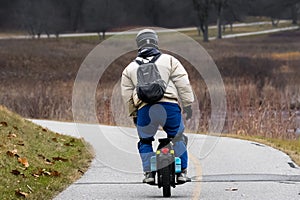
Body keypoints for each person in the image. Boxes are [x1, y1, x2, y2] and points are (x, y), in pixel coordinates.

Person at [121, 29, 194, 183]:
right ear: (155, 42)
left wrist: (134, 114)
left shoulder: (129, 68)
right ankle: (182, 172)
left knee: (145, 141)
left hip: (145, 110)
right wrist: (188, 105)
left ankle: (148, 173)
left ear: (138, 44)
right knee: (177, 137)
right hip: (169, 107)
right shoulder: (169, 60)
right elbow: (183, 82)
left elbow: (127, 96)